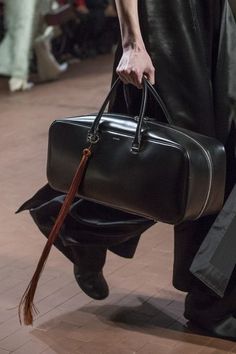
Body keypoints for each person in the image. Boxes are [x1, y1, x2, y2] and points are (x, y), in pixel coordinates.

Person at [18, 0, 236, 340]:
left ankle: (75, 225)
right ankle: (75, 222)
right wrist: (133, 42)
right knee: (192, 160)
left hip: (219, 17)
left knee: (218, 162)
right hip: (169, 20)